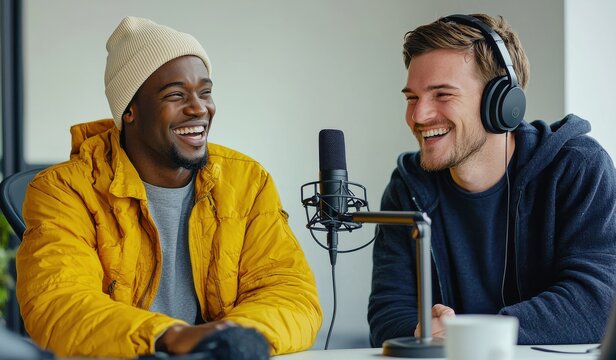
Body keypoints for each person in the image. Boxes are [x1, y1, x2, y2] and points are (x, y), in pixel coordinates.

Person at [16, 16, 322, 358]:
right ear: (129, 111)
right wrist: (171, 336)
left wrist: (228, 339)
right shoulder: (63, 190)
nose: (198, 108)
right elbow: (59, 306)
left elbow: (290, 294)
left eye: (205, 92)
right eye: (176, 95)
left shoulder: (247, 181)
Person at [368, 13, 616, 346]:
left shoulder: (576, 167)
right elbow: (387, 311)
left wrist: (466, 334)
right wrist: (420, 329)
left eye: (442, 95)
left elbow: (597, 302)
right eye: (412, 97)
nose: (418, 115)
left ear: (501, 103)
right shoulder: (408, 188)